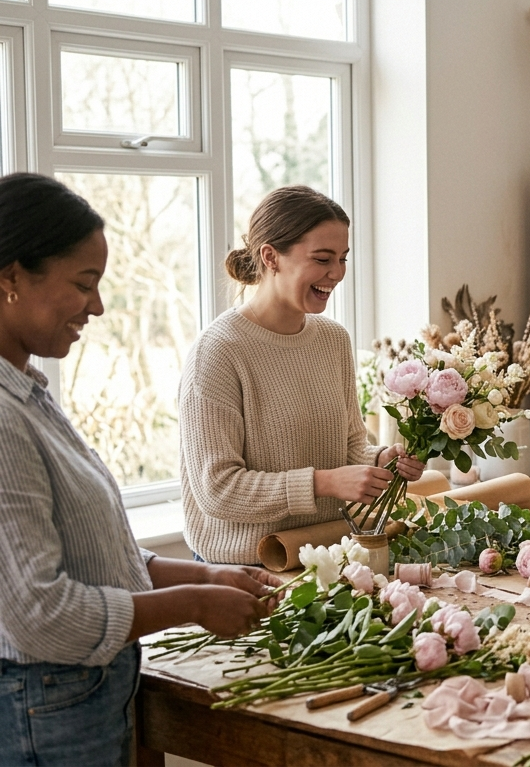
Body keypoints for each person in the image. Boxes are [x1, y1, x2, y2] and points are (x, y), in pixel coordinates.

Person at [0, 173, 276, 765]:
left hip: (78, 695)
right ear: (11, 277)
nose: (97, 306)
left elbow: (94, 553)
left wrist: (203, 578)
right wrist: (194, 606)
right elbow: (40, 616)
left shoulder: (26, 391)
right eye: (83, 284)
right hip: (45, 705)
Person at [180, 186, 423, 564]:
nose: (337, 273)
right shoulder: (218, 351)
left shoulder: (332, 340)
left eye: (343, 258)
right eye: (323, 258)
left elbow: (348, 445)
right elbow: (217, 489)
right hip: (246, 569)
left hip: (328, 553)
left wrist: (381, 461)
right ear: (270, 257)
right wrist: (323, 483)